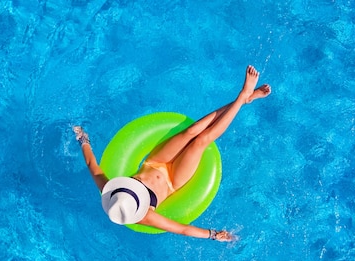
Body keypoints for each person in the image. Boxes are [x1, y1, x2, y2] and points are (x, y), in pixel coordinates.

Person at [74, 65, 271, 242]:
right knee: (201, 141)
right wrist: (213, 234)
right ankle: (243, 95)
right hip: (173, 180)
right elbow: (181, 229)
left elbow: (93, 165)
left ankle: (245, 99)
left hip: (155, 162)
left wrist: (83, 139)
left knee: (191, 131)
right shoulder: (143, 216)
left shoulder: (110, 190)